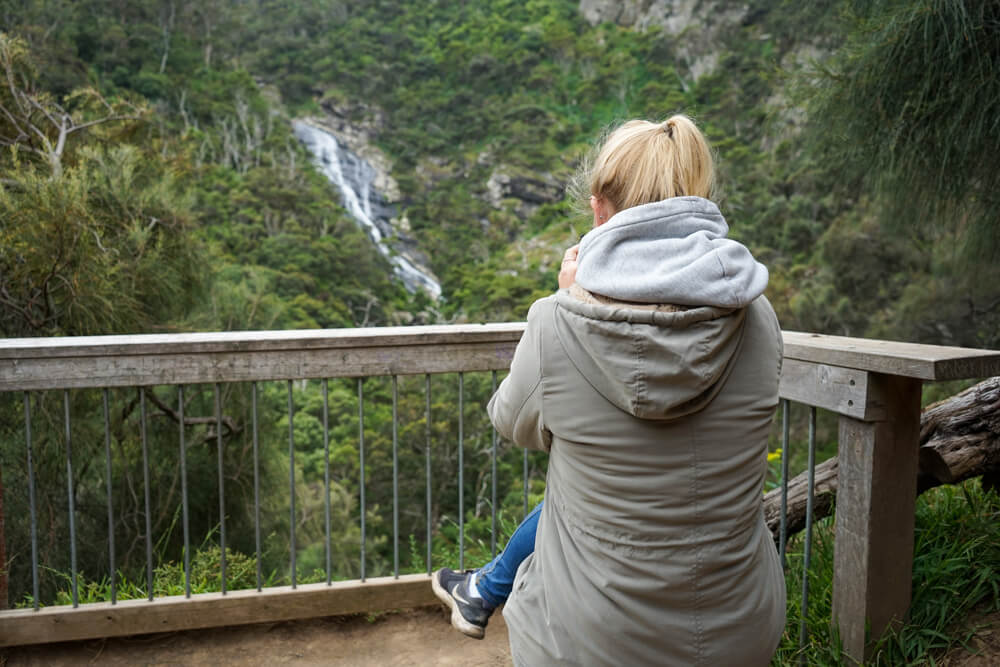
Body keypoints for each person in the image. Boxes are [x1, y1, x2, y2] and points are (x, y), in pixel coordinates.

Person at [432, 114, 785, 666]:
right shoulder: (758, 318)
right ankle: (483, 587)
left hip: (587, 640)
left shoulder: (555, 323)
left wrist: (572, 303)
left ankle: (483, 590)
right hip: (738, 627)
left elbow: (510, 420)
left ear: (599, 209)